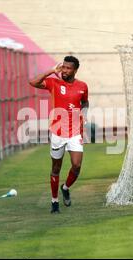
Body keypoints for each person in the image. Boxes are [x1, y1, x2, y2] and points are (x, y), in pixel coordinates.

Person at [29, 56, 89, 213]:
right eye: (63, 67)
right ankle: (54, 202)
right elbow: (33, 82)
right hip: (57, 132)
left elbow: (85, 101)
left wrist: (84, 114)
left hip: (75, 131)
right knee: (56, 168)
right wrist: (51, 71)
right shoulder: (54, 83)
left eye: (68, 68)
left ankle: (66, 187)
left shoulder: (82, 86)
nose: (65, 70)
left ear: (75, 70)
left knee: (76, 165)